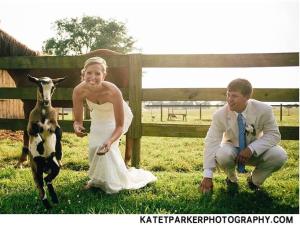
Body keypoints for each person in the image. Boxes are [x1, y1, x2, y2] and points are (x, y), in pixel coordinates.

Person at [72, 56, 156, 193]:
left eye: (97, 73)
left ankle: (111, 181)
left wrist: (110, 141)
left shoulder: (113, 91)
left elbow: (119, 126)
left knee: (106, 146)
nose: (93, 77)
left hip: (114, 120)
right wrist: (77, 127)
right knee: (94, 147)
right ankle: (96, 179)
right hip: (97, 119)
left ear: (104, 75)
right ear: (83, 73)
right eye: (89, 73)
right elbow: (77, 121)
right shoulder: (78, 91)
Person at [199, 78, 287, 194]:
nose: (229, 99)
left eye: (234, 96)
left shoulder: (264, 110)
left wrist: (251, 148)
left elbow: (274, 134)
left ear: (247, 97)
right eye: (228, 95)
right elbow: (211, 142)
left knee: (279, 155)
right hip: (232, 150)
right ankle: (231, 178)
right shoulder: (219, 115)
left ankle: (254, 181)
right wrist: (207, 176)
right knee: (222, 154)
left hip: (256, 151)